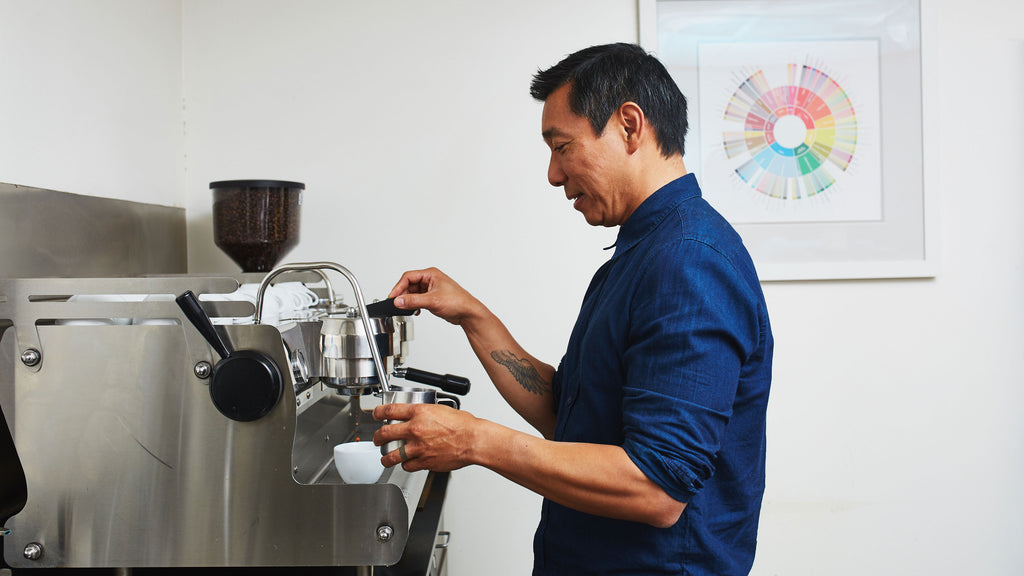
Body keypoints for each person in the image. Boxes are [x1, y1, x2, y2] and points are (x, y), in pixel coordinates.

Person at [373, 42, 773, 576]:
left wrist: (474, 440)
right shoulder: (642, 252)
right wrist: (472, 315)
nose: (553, 174)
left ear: (630, 126)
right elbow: (570, 415)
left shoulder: (688, 263)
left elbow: (656, 487)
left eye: (562, 146)